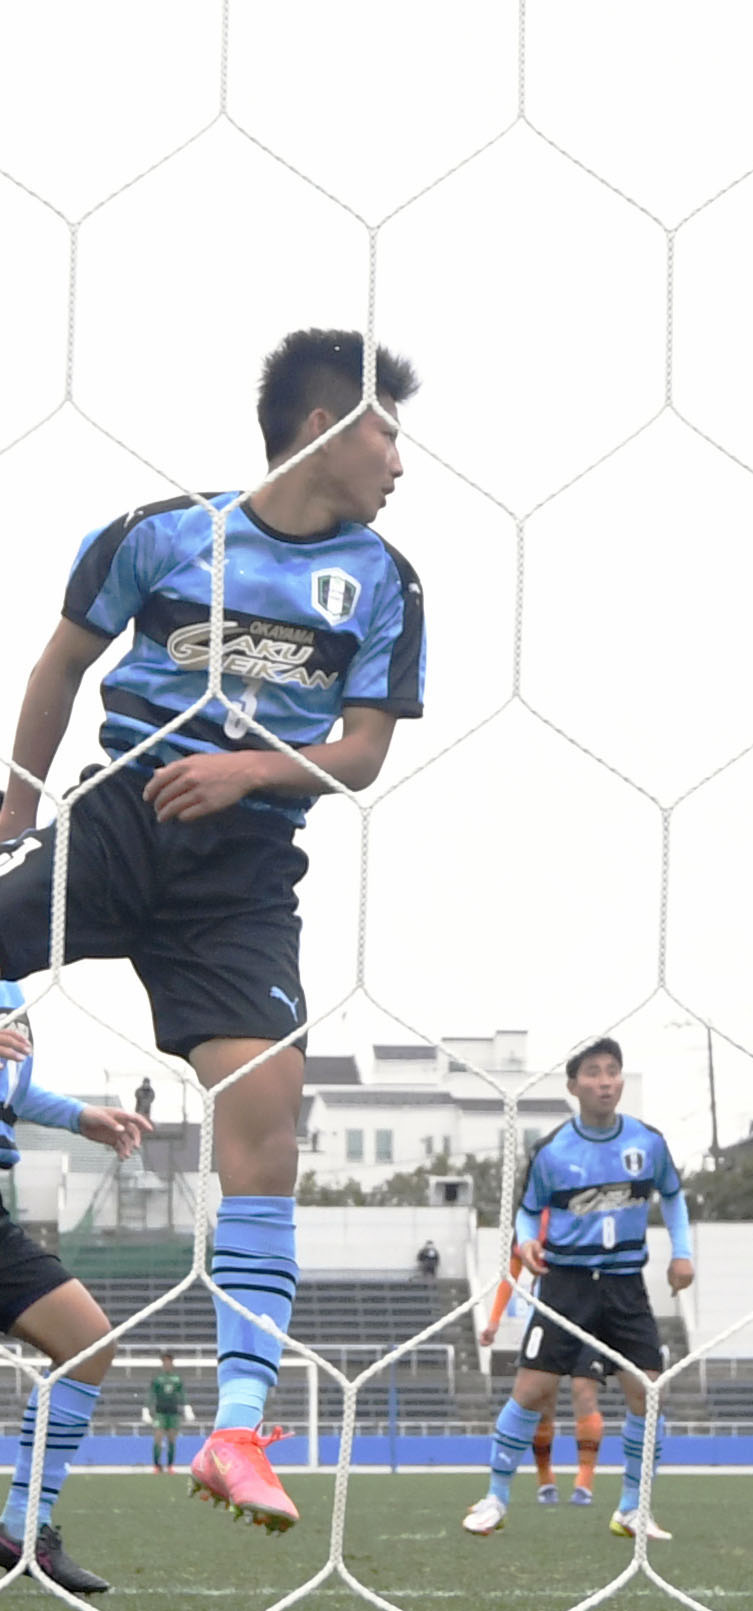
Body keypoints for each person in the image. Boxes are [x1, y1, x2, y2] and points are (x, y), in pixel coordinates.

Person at [0, 330, 423, 1533]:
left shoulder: (383, 581)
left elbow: (362, 753)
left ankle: (238, 1427)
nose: (400, 460)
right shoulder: (162, 533)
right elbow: (64, 658)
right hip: (124, 813)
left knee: (264, 1121)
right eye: (387, 432)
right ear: (326, 430)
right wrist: (21, 795)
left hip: (243, 866)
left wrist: (247, 770)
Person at [462, 1040, 690, 1543]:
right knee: (531, 1390)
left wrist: (682, 1252)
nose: (606, 1080)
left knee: (647, 1393)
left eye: (613, 1071)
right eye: (594, 1073)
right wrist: (525, 1242)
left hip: (624, 1283)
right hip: (565, 1284)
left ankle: (633, 1507)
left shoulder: (648, 1142)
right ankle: (495, 1498)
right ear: (573, 1086)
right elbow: (527, 1209)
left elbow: (673, 1196)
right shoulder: (552, 1151)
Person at [0, 984, 154, 1593]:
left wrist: (80, 1116)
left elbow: (14, 1090)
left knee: (87, 1341)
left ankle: (22, 1529)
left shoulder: (12, 982)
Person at [479, 1215, 609, 1507]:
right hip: (548, 1311)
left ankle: (584, 1483)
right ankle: (545, 1479)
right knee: (541, 1401)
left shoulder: (597, 1208)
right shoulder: (535, 1215)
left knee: (584, 1391)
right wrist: (494, 1320)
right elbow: (510, 1273)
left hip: (592, 1314)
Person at [147, 1350, 187, 1475]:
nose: (167, 1364)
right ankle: (156, 1465)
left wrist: (187, 1406)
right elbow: (151, 1394)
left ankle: (170, 1465)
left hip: (173, 1413)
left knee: (171, 1439)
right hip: (160, 1412)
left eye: (169, 1361)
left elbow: (182, 1394)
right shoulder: (158, 1378)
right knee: (158, 1438)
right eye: (165, 1362)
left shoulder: (177, 1378)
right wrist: (146, 1408)